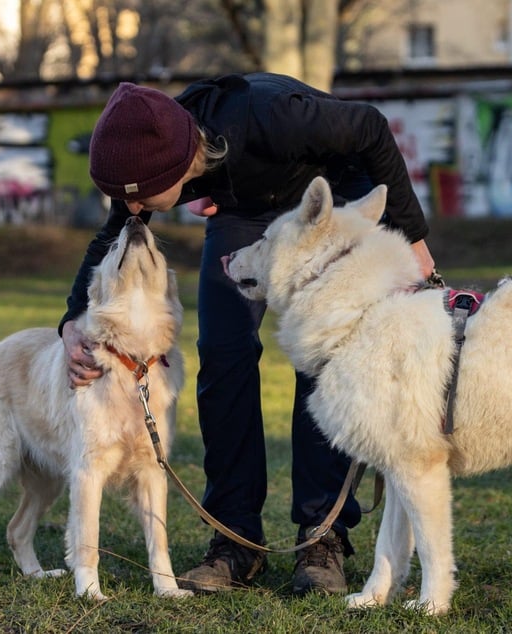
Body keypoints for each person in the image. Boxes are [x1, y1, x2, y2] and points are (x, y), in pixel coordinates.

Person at [59, 73, 435, 596]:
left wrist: (413, 238)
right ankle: (235, 540)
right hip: (241, 214)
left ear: (176, 166)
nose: (136, 211)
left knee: (324, 360)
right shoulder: (147, 157)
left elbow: (370, 127)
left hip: (320, 206)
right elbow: (111, 234)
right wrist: (71, 321)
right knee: (222, 349)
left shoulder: (275, 116)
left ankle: (321, 536)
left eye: (143, 198)